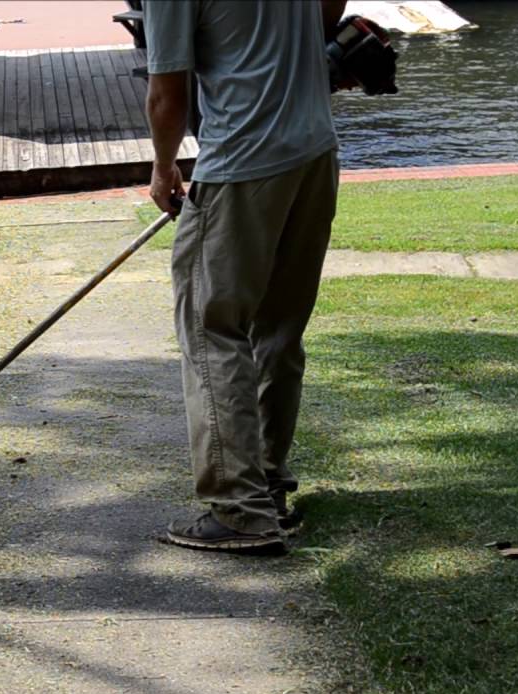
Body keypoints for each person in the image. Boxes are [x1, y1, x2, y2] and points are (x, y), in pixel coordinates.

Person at [143, 0, 349, 553]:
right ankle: (268, 482)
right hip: (313, 153)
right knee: (277, 327)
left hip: (242, 162)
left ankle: (240, 508)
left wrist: (164, 167)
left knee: (213, 329)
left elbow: (168, 95)